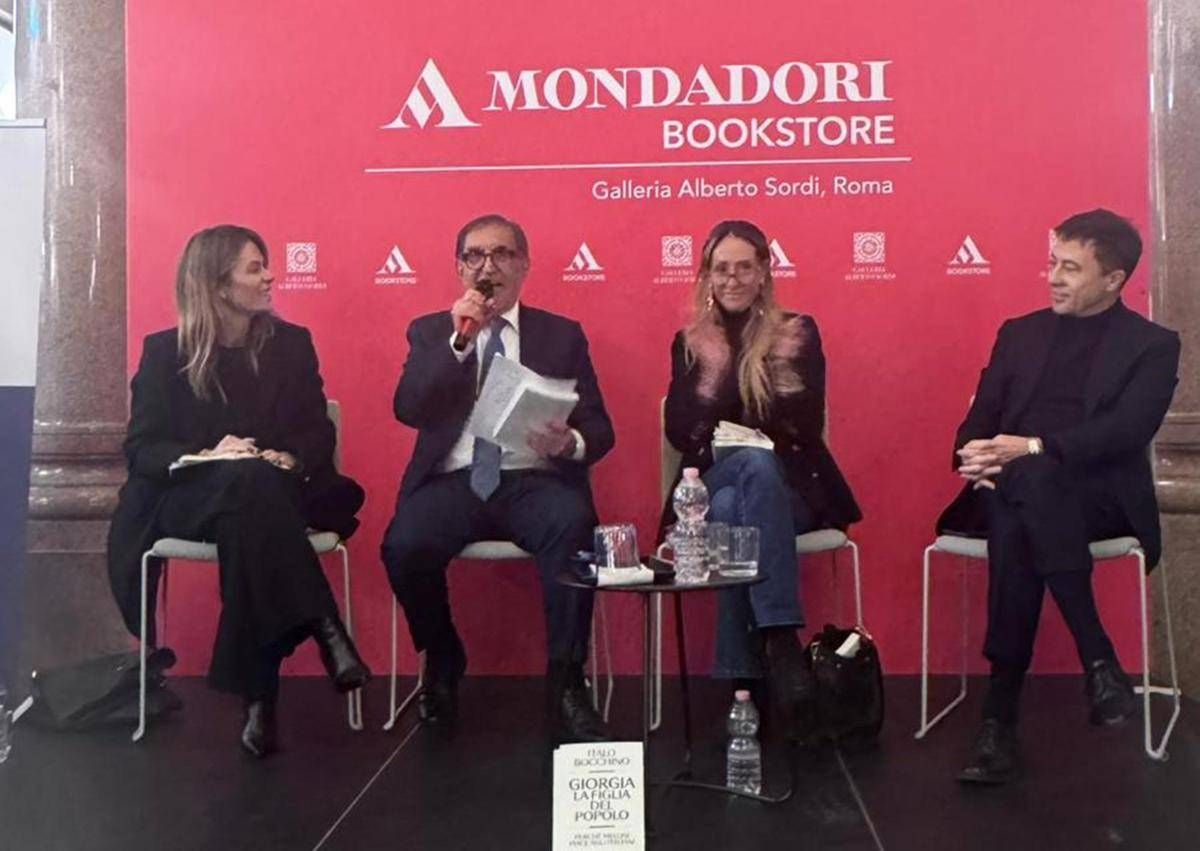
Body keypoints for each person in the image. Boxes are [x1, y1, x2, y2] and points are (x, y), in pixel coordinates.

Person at [107, 225, 370, 759]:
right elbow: (142, 448)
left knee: (250, 512)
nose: (270, 276)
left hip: (271, 494)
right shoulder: (165, 352)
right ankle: (323, 625)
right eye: (255, 268)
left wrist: (290, 457)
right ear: (219, 285)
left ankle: (261, 698)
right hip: (189, 497)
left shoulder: (291, 345)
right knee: (248, 487)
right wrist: (207, 454)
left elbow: (317, 430)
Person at [938, 209, 1181, 784]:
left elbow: (1127, 431)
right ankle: (1097, 659)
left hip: (1102, 500)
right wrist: (974, 456)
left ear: (1114, 280)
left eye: (1071, 268)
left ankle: (998, 719)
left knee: (1029, 487)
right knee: (1024, 494)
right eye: (1052, 263)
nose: (1053, 278)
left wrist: (1033, 448)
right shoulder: (1019, 334)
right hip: (1008, 490)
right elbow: (975, 426)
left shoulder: (1152, 345)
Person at [380, 213, 614, 743]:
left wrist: (569, 443)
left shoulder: (561, 335)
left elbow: (600, 428)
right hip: (456, 480)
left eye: (502, 254)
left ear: (524, 265)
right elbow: (408, 408)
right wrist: (458, 344)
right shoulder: (432, 332)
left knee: (573, 527)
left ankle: (567, 679)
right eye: (475, 256)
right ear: (459, 268)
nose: (488, 267)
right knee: (403, 544)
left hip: (533, 480)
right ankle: (442, 657)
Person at [661, 219, 861, 735]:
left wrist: (732, 413)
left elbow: (804, 421)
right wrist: (734, 384)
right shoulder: (690, 342)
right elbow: (681, 431)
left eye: (743, 268)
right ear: (707, 275)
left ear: (764, 272)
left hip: (789, 489)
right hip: (709, 484)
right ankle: (779, 638)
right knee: (745, 474)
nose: (732, 279)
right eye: (720, 269)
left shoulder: (797, 332)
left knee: (738, 508)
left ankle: (743, 684)